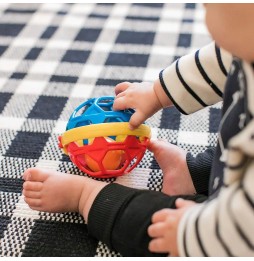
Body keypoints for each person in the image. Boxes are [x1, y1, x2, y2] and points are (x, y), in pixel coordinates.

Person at [22, 3, 254, 256]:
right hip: (244, 165)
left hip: (239, 226)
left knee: (163, 226)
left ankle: (87, 197)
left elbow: (240, 234)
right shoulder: (244, 44)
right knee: (229, 151)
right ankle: (196, 173)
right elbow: (223, 59)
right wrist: (159, 92)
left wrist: (191, 231)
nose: (206, 14)